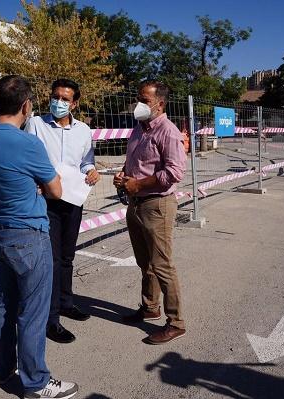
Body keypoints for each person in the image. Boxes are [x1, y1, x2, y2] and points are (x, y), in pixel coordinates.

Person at [0, 75, 78, 398]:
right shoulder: (28, 143)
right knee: (33, 310)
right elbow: (57, 189)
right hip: (30, 236)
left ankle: (2, 368)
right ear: (25, 105)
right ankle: (35, 381)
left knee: (4, 302)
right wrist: (40, 182)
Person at [25, 78, 100, 344]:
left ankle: (66, 303)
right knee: (52, 261)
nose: (59, 102)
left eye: (65, 99)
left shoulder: (83, 130)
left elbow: (85, 161)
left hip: (72, 199)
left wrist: (90, 171)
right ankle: (50, 319)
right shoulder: (35, 124)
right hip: (45, 200)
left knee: (67, 256)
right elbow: (28, 157)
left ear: (75, 103)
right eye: (56, 96)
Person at [113, 80, 187, 344]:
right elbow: (134, 160)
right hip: (136, 203)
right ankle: (150, 307)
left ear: (160, 104)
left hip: (157, 204)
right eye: (138, 99)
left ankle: (176, 322)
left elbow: (174, 172)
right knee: (145, 262)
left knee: (162, 265)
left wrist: (139, 183)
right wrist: (125, 175)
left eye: (145, 100)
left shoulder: (167, 131)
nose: (139, 105)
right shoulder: (138, 128)